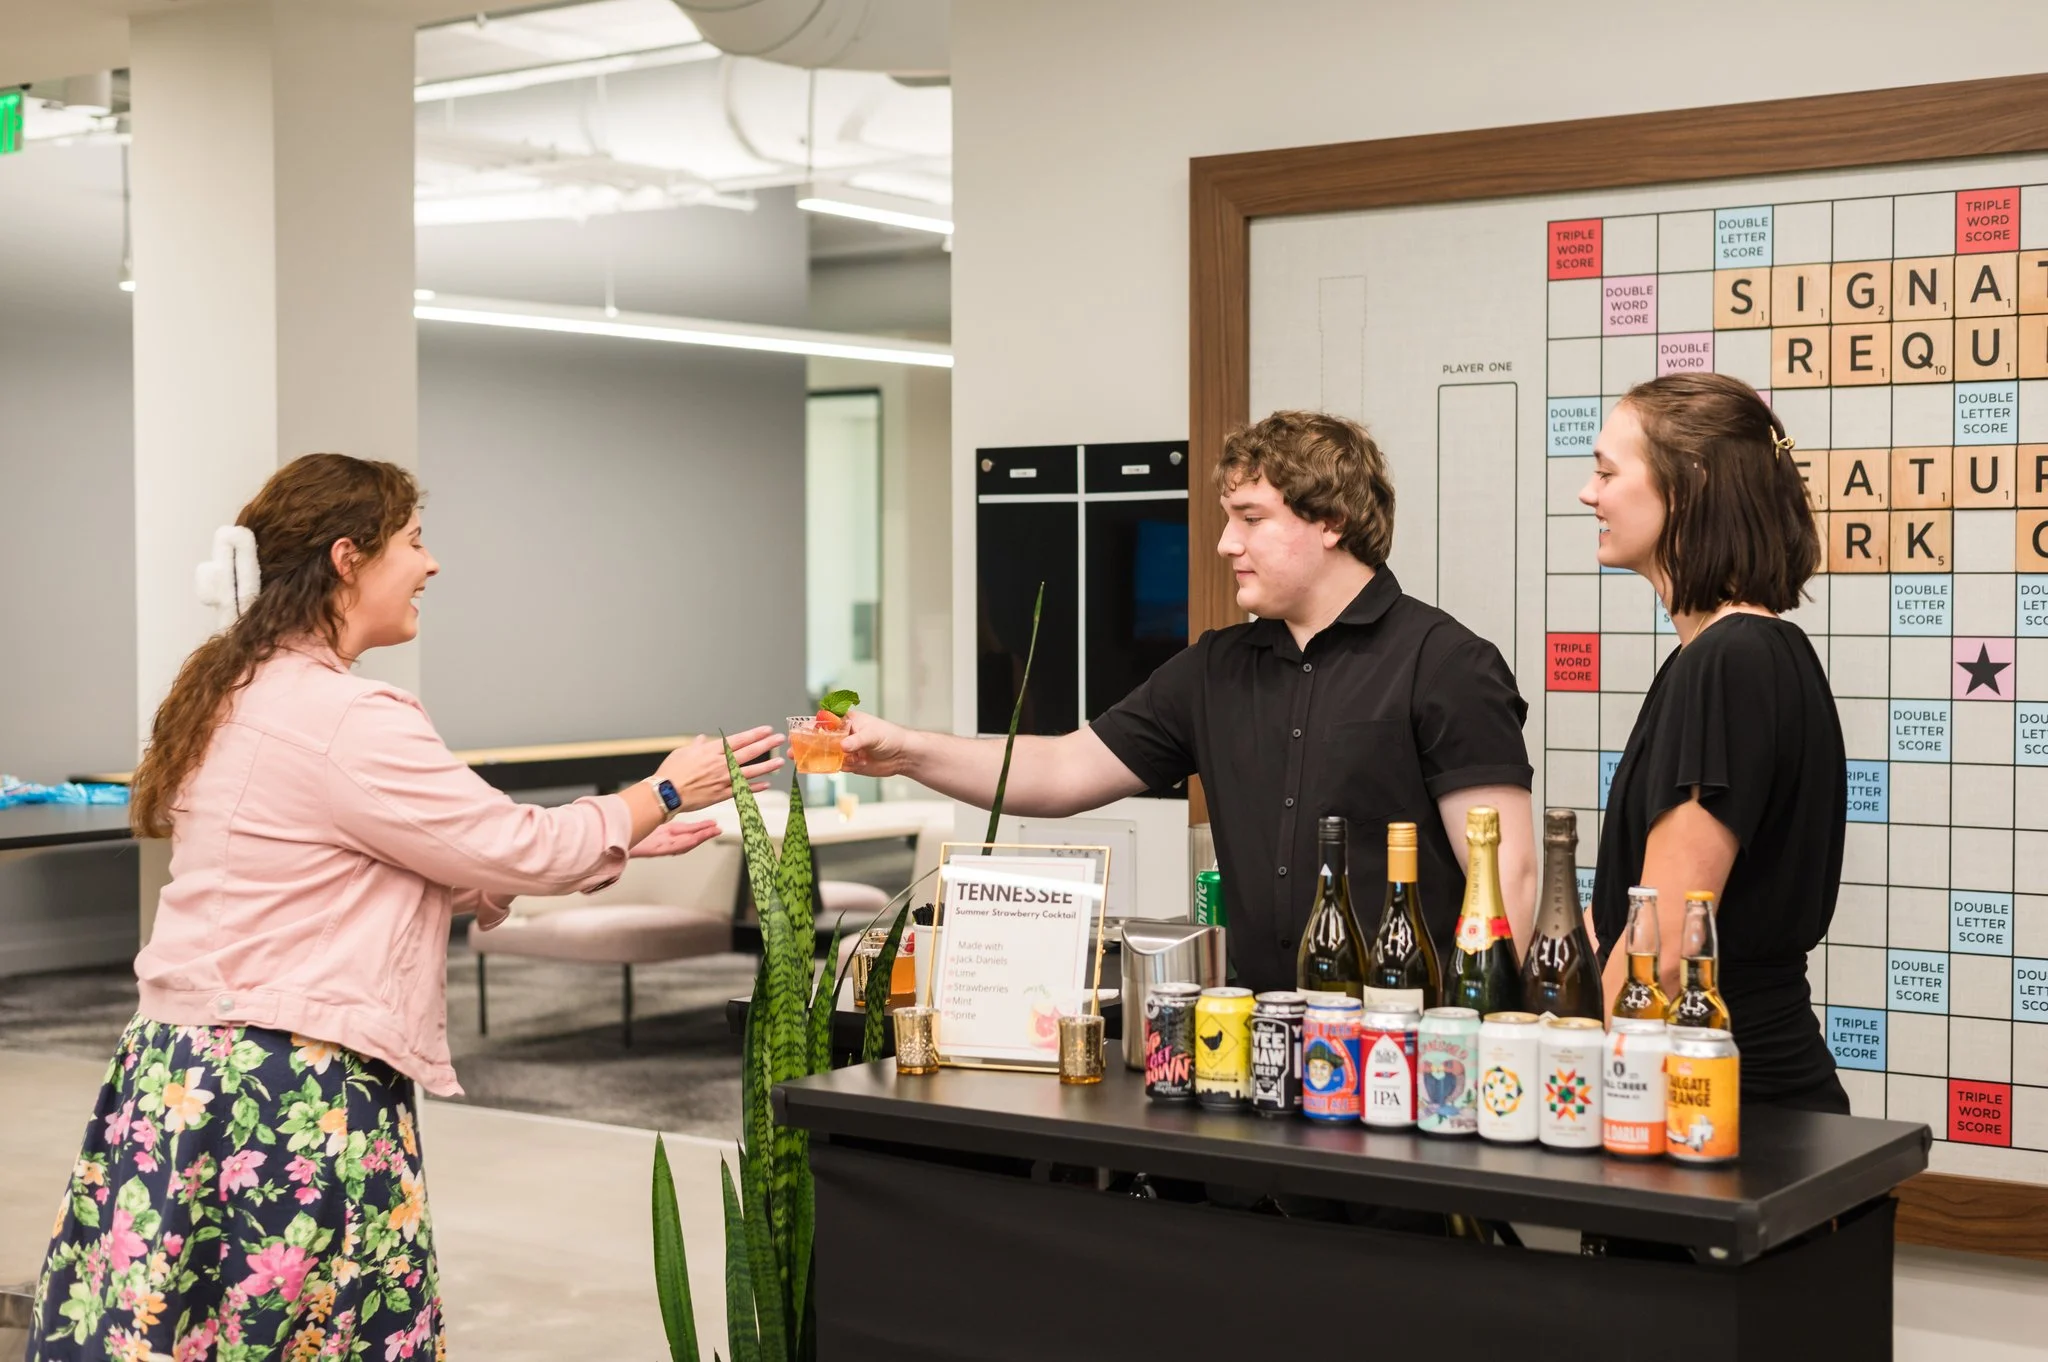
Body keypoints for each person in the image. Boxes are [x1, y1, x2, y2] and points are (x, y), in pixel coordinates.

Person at [28, 454, 784, 1361]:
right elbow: (513, 845)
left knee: (180, 1334)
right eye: (415, 542)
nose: (432, 565)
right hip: (287, 1089)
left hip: (181, 1079)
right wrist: (659, 792)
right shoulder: (349, 717)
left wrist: (614, 844)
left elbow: (404, 865)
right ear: (348, 558)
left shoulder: (240, 693)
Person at [845, 410, 1536, 992]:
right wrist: (907, 750)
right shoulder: (1213, 670)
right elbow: (1062, 770)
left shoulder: (1446, 665)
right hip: (1259, 1044)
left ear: (1331, 521)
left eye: (1250, 518)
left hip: (1410, 1053)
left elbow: (1510, 881)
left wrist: (1471, 1044)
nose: (1224, 542)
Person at [1581, 372, 1849, 1114]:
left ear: (1688, 484)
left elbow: (1662, 959)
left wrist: (1557, 1079)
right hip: (1726, 1095)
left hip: (1728, 1111)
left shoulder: (1730, 662)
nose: (1588, 494)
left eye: (1607, 471)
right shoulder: (1737, 655)